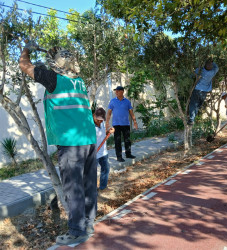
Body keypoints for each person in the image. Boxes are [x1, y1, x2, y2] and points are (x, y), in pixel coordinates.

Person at [19, 42, 97, 245]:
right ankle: (88, 224)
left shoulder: (54, 79)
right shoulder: (79, 81)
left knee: (73, 188)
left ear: (57, 64)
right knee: (88, 185)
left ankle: (77, 231)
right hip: (88, 140)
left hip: (70, 142)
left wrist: (26, 49)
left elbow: (24, 66)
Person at [105, 86, 138, 162]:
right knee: (117, 141)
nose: (116, 92)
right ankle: (119, 157)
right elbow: (109, 113)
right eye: (115, 91)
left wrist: (135, 122)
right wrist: (107, 122)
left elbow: (131, 112)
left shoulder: (127, 102)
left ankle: (128, 154)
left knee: (127, 140)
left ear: (122, 91)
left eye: (117, 91)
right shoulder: (112, 101)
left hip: (126, 124)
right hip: (116, 125)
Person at [188, 60, 219, 125]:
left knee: (193, 104)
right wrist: (213, 62)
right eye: (210, 65)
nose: (210, 66)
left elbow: (191, 75)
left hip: (197, 89)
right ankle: (192, 118)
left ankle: (191, 119)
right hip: (204, 92)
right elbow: (217, 68)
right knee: (198, 105)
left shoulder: (200, 70)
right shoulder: (212, 72)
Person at [93, 108, 115, 191]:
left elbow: (102, 133)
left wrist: (109, 131)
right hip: (94, 154)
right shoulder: (90, 126)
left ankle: (103, 187)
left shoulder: (101, 123)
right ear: (94, 116)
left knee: (106, 169)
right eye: (98, 120)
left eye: (102, 120)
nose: (100, 122)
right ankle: (93, 191)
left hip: (103, 152)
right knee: (92, 174)